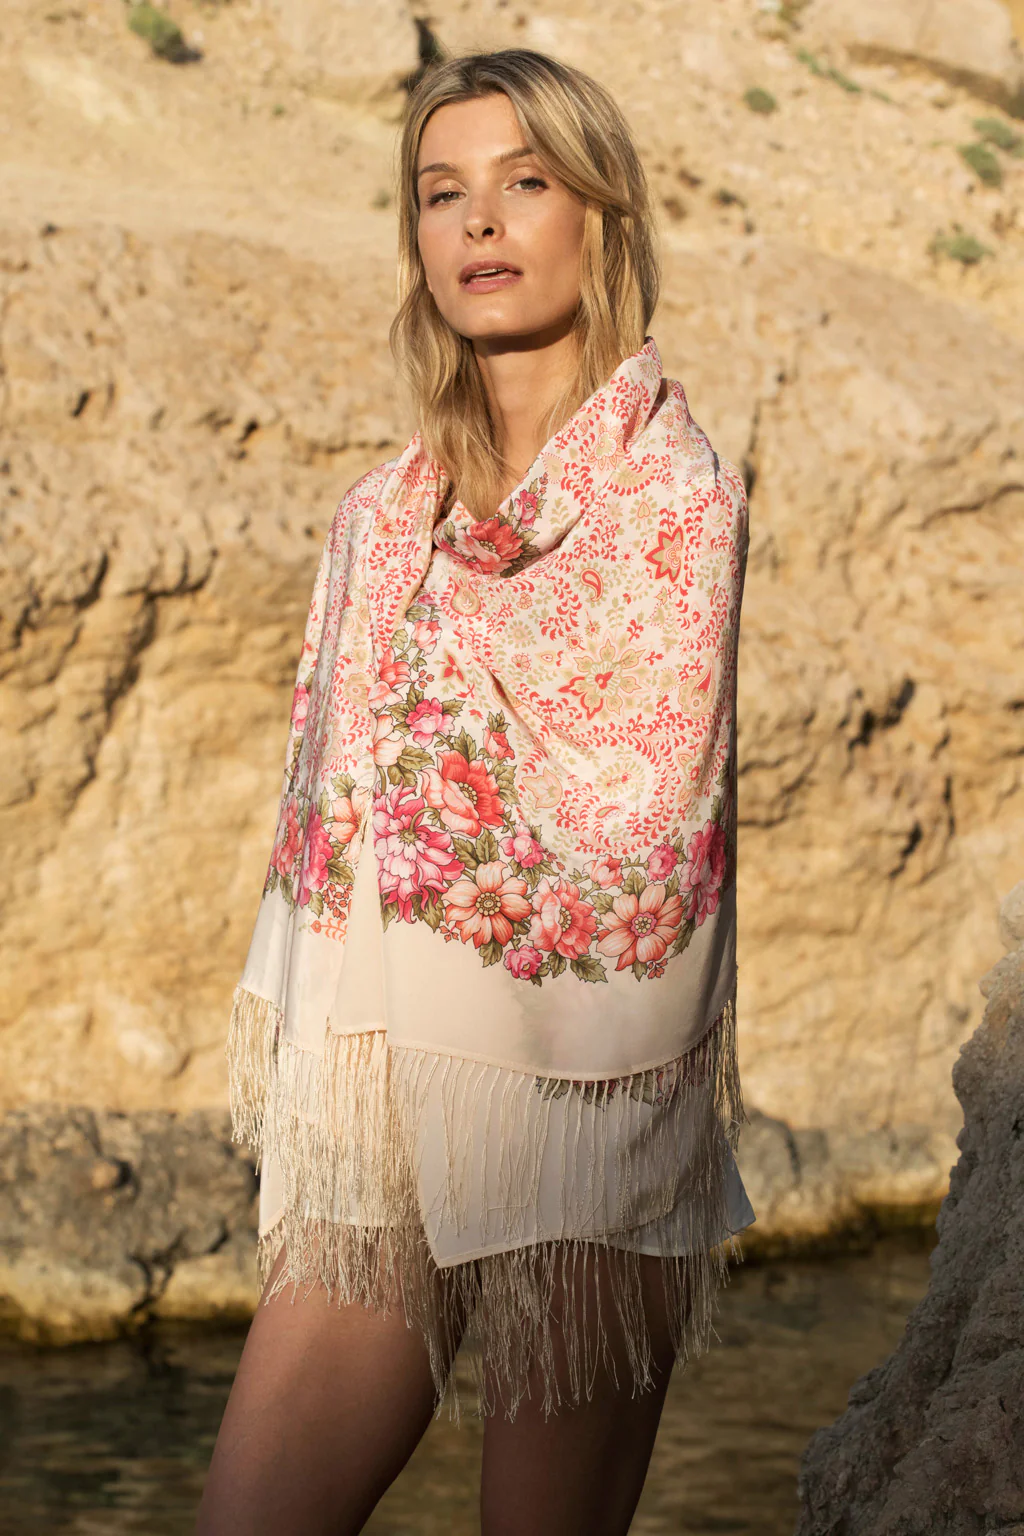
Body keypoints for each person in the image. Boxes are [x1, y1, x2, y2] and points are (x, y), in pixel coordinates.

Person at [195, 46, 754, 1536]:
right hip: (381, 1085)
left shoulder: (672, 498)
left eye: (525, 182)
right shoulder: (379, 519)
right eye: (443, 194)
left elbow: (640, 826)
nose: (481, 222)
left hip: (592, 1106)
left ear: (599, 217)